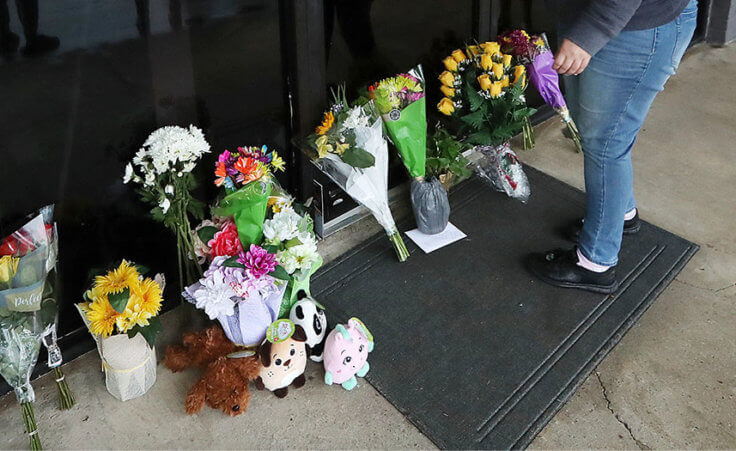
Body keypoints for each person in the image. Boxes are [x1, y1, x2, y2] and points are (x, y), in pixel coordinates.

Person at [528, 0, 698, 293]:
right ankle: (621, 214)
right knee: (597, 133)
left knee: (607, 144)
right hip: (608, 19)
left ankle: (596, 262)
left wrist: (588, 34)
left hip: (635, 27)